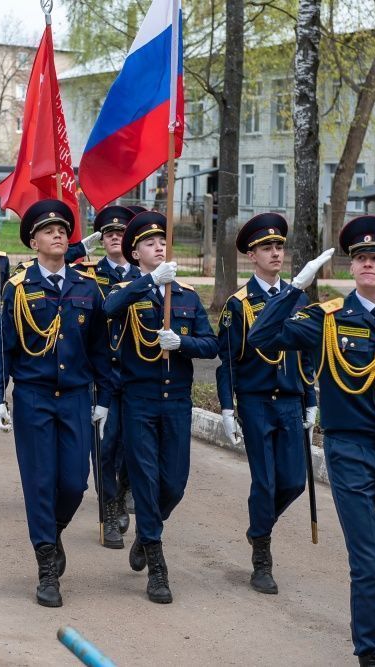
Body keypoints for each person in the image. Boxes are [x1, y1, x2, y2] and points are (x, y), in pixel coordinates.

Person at [248, 215, 375, 666]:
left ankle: (371, 614)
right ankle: (370, 651)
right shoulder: (327, 318)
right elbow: (263, 335)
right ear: (352, 268)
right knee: (366, 561)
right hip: (349, 452)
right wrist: (296, 288)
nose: (368, 263)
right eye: (361, 258)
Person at [0, 199, 112, 608]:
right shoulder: (17, 288)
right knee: (41, 483)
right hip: (34, 398)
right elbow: (2, 345)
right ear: (34, 240)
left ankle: (53, 531)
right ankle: (45, 565)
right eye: (49, 230)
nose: (58, 234)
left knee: (75, 482)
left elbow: (99, 349)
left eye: (63, 229)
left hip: (76, 398)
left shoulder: (87, 288)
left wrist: (105, 397)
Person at [103, 211, 217, 604]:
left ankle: (145, 532)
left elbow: (211, 344)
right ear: (135, 253)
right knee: (147, 482)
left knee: (174, 484)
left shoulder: (185, 296)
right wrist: (150, 281)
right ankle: (156, 561)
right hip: (138, 401)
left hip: (177, 403)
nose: (159, 247)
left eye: (162, 242)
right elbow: (108, 309)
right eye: (150, 244)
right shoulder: (128, 290)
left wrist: (182, 344)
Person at [215, 213, 318, 594]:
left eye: (279, 247)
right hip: (256, 401)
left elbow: (306, 353)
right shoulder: (239, 304)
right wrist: (228, 408)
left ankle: (258, 527)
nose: (275, 253)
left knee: (294, 482)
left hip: (290, 400)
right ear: (251, 256)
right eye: (266, 248)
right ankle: (262, 558)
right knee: (266, 480)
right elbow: (227, 361)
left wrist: (311, 398)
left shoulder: (298, 297)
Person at [87, 205, 141, 548]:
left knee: (130, 446)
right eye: (109, 234)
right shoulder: (89, 276)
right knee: (104, 448)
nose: (114, 239)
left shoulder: (145, 275)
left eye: (120, 234)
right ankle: (107, 510)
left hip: (136, 372)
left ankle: (121, 492)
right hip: (101, 372)